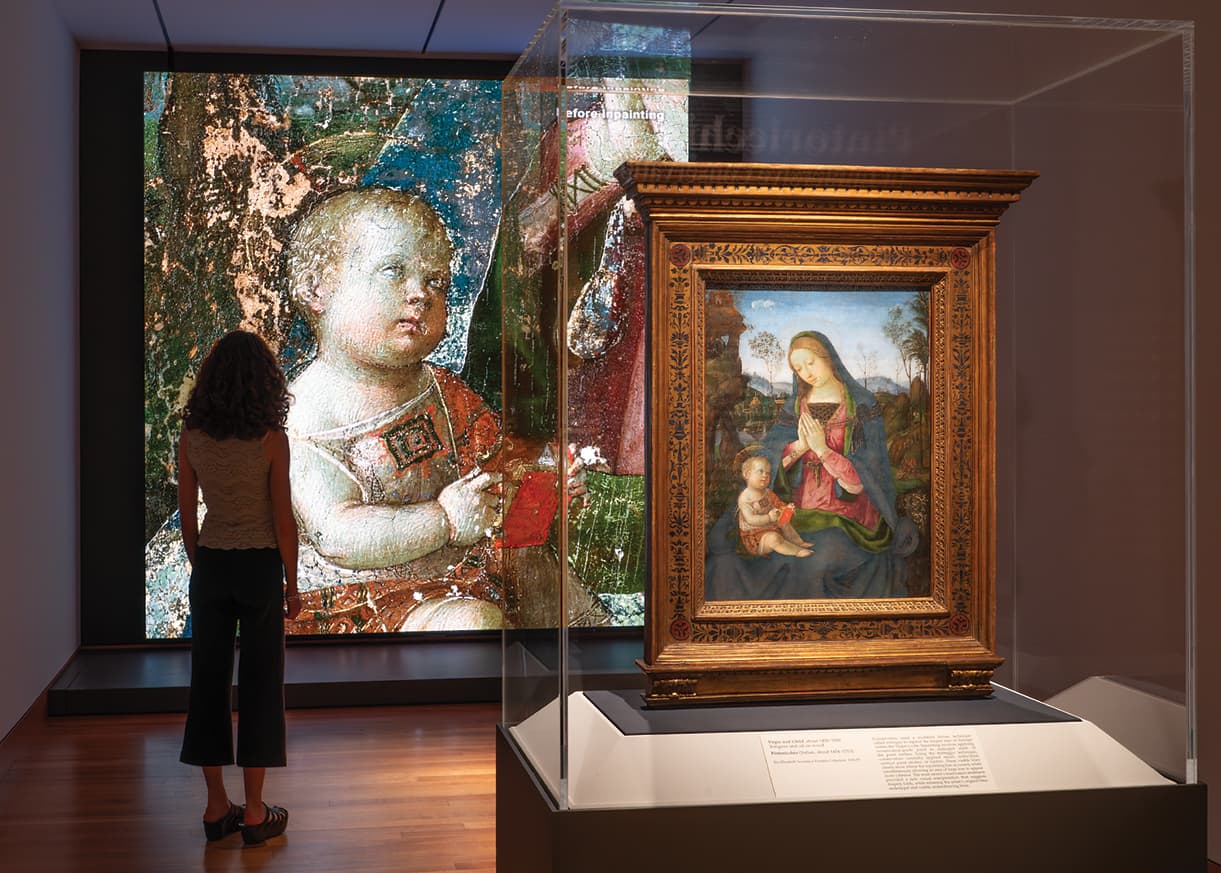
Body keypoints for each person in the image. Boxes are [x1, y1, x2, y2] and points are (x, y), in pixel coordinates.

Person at [284, 187, 502, 632]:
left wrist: (537, 479)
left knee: (538, 569)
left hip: (459, 570)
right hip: (359, 602)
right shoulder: (304, 416)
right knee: (471, 625)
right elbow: (337, 535)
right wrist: (443, 520)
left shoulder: (444, 390)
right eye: (393, 271)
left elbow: (493, 460)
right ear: (318, 288)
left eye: (436, 281)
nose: (420, 294)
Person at [177, 330, 300, 846]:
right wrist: (292, 582)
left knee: (207, 684)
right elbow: (283, 518)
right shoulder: (272, 440)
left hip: (212, 566)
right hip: (258, 569)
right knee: (260, 685)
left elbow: (188, 517)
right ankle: (253, 812)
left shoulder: (192, 438)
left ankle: (214, 808)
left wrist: (201, 562)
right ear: (263, 382)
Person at [706, 330, 918, 600]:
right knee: (743, 560)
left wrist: (823, 451)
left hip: (849, 517)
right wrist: (799, 447)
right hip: (798, 510)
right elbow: (771, 457)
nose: (806, 372)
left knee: (812, 563)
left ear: (828, 358)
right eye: (798, 368)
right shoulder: (796, 407)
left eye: (810, 363)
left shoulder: (862, 405)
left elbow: (868, 473)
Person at [735, 453, 812, 558]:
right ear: (747, 474)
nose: (765, 475)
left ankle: (798, 542)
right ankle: (797, 551)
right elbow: (751, 519)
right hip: (756, 536)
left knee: (784, 521)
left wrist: (786, 508)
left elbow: (777, 503)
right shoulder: (745, 498)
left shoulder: (767, 493)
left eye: (768, 473)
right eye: (760, 471)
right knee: (774, 539)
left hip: (772, 526)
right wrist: (769, 517)